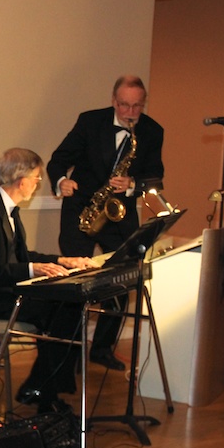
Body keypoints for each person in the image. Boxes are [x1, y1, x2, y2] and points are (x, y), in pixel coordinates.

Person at [0, 148, 96, 413]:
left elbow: (20, 256)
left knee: (69, 306)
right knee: (60, 310)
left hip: (1, 292)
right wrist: (33, 269)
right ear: (22, 181)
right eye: (36, 178)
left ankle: (41, 386)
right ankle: (43, 390)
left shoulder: (7, 209)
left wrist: (61, 260)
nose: (37, 184)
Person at [47, 75, 164, 371]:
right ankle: (70, 352)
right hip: (82, 211)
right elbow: (58, 160)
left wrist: (133, 183)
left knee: (121, 281)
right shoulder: (90, 121)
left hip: (119, 215)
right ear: (114, 101)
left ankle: (101, 348)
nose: (129, 113)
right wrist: (62, 181)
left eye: (137, 106)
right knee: (75, 281)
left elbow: (155, 177)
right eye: (124, 105)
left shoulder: (152, 131)